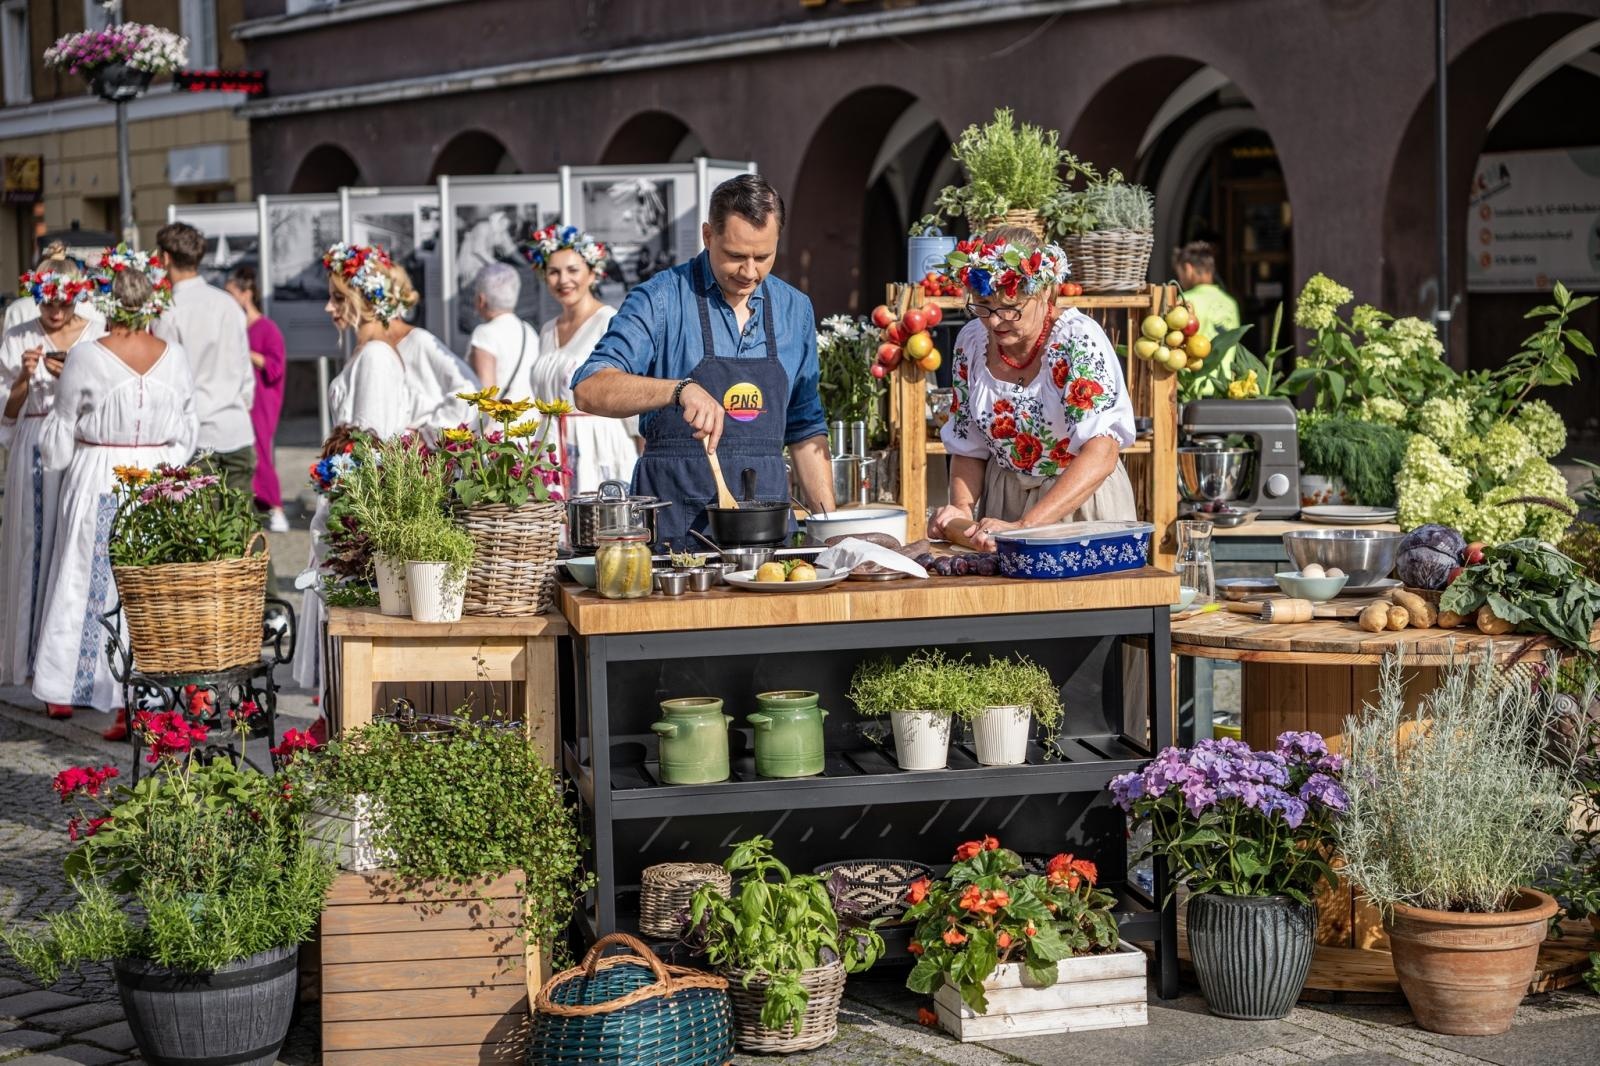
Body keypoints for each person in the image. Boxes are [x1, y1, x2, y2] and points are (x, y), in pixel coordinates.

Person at [571, 175, 835, 548]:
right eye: (735, 256)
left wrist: (830, 532)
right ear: (708, 236)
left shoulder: (796, 309)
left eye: (763, 257)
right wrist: (678, 389)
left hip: (768, 534)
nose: (750, 272)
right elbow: (589, 387)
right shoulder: (659, 299)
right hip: (675, 535)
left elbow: (806, 428)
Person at [32, 247, 197, 732]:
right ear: (152, 303)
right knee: (151, 587)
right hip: (159, 477)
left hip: (99, 469)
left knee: (92, 583)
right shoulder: (176, 356)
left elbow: (59, 436)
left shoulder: (85, 356)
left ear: (106, 302)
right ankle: (148, 700)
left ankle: (101, 687)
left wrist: (61, 455)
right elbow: (188, 432)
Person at [929, 227, 1138, 549]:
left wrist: (1027, 525)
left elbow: (1102, 452)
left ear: (1044, 293)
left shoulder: (1078, 340)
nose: (995, 322)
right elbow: (967, 442)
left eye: (1010, 308)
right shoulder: (971, 342)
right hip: (1005, 503)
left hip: (1079, 505)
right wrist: (961, 508)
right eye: (983, 305)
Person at [291, 242, 424, 697]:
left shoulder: (374, 357)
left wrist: (349, 514)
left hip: (355, 503)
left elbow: (369, 444)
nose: (330, 307)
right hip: (345, 496)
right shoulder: (368, 352)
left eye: (337, 296)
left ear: (363, 298)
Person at [0, 252, 104, 695]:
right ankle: (30, 661)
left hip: (82, 445)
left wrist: (73, 378)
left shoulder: (96, 333)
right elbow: (7, 411)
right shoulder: (19, 335)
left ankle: (77, 665)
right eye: (46, 303)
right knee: (33, 549)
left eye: (63, 303)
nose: (55, 313)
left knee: (74, 550)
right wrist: (24, 378)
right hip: (35, 444)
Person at [523, 225, 641, 492]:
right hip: (551, 443)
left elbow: (629, 395)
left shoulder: (610, 321)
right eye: (554, 272)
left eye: (573, 270)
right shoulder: (547, 330)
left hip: (598, 445)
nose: (563, 280)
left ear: (592, 273)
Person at [152, 222, 255, 494]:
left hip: (197, 435)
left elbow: (167, 379)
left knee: (202, 532)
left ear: (165, 258)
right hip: (237, 429)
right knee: (239, 530)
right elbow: (246, 370)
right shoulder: (227, 303)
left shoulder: (169, 311)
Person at [224, 264, 289, 532]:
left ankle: (276, 508)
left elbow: (275, 367)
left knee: (260, 449)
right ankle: (256, 504)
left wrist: (246, 352)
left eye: (232, 294)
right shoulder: (235, 325)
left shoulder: (267, 328)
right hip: (239, 394)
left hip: (262, 398)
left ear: (246, 293)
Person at [382, 261, 475, 431]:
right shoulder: (374, 349)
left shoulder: (418, 341)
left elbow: (469, 392)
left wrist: (427, 435)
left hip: (419, 455)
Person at [468, 261, 539, 400]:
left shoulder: (484, 333)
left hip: (502, 420)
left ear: (481, 300)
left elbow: (487, 394)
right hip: (530, 418)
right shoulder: (529, 331)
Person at [1172, 241, 1240, 341]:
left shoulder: (1185, 301)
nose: (1180, 281)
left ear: (1188, 269)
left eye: (1179, 274)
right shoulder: (1231, 303)